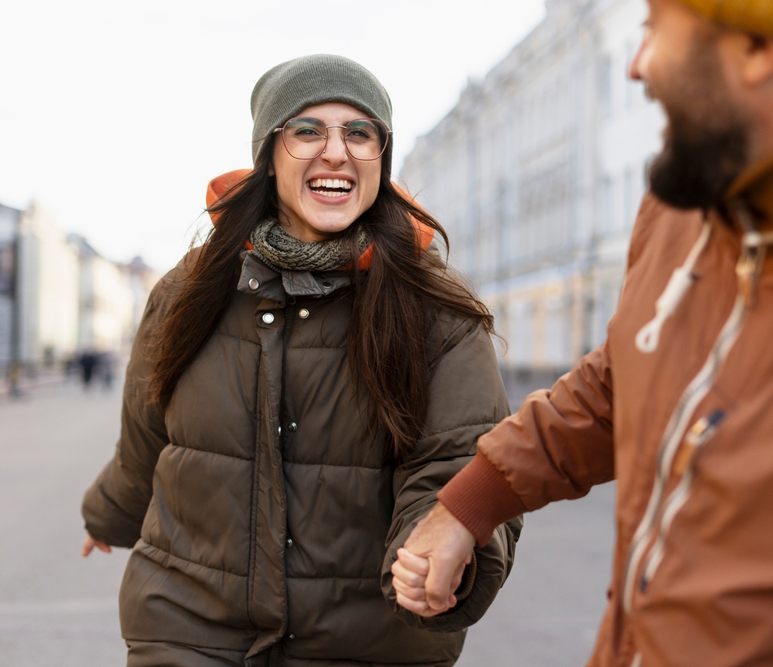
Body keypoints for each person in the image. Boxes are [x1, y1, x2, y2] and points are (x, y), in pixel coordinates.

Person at [392, 2, 773, 665]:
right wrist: (468, 505)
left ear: (759, 46)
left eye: (656, 30)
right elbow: (624, 376)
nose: (635, 65)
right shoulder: (688, 202)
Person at [80, 54, 520, 667]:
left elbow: (459, 460)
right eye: (307, 130)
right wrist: (108, 514)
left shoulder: (433, 308)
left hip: (367, 641)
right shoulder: (191, 290)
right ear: (269, 154)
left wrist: (435, 547)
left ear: (380, 159)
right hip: (189, 630)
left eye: (359, 133)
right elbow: (148, 436)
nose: (335, 152)